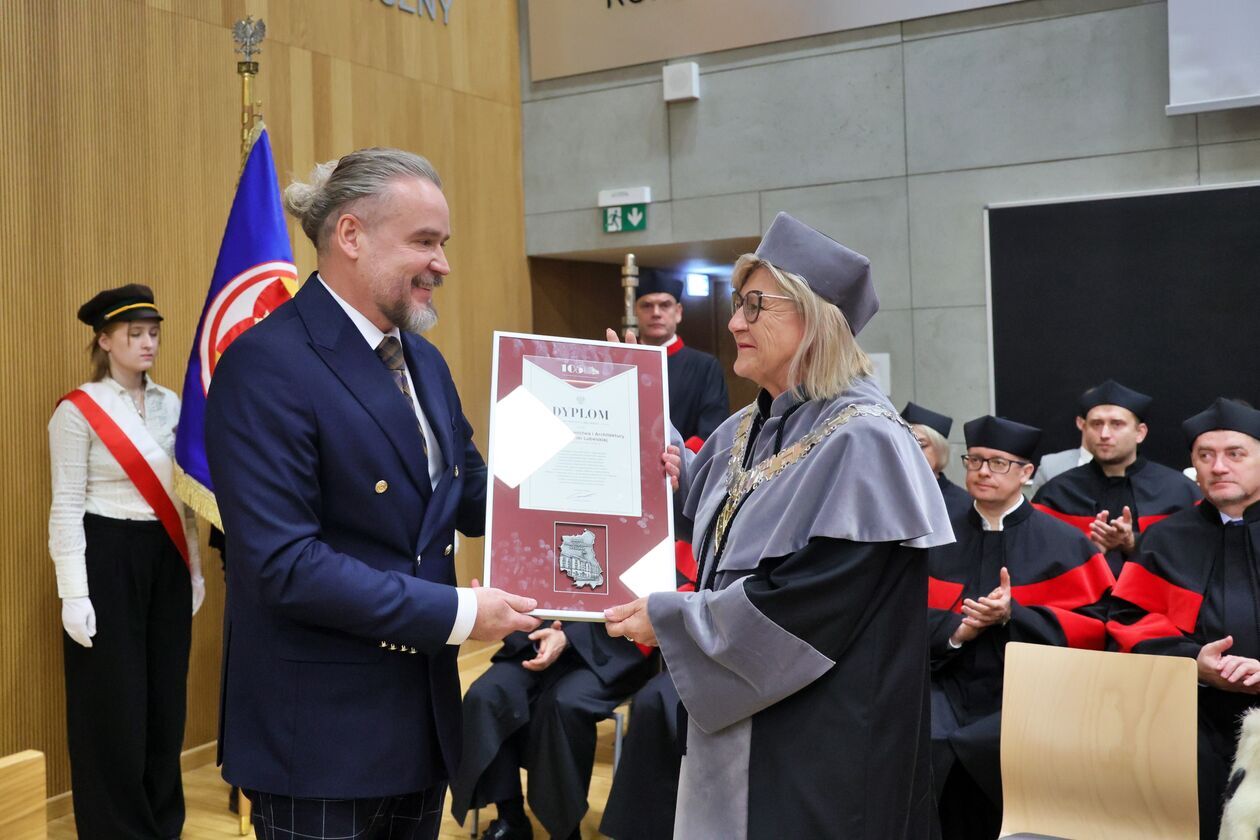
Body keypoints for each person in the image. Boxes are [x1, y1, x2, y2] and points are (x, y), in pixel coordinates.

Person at [205, 148, 539, 840]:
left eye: (443, 243)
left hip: (418, 727)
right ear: (351, 235)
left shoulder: (424, 360)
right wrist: (459, 612)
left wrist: (605, 448)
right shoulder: (265, 365)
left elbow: (473, 497)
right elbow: (284, 566)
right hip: (318, 741)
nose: (442, 264)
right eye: (424, 241)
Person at [602, 212, 955, 838]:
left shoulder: (866, 440)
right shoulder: (747, 427)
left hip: (817, 735)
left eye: (755, 305)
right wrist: (633, 410)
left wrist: (671, 619)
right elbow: (718, 523)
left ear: (815, 319)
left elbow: (808, 604)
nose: (734, 323)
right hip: (745, 711)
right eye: (738, 304)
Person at [48, 284, 204, 839]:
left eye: (153, 333)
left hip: (166, 555)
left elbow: (184, 496)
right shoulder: (78, 410)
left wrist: (194, 570)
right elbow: (65, 506)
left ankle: (162, 821)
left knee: (165, 697)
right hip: (107, 556)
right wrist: (74, 592)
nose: (147, 343)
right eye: (134, 333)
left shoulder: (172, 404)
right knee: (113, 701)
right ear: (105, 340)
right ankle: (116, 828)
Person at [927, 415, 1114, 839]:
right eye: (975, 460)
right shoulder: (934, 538)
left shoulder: (1065, 542)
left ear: (1027, 472)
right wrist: (957, 631)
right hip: (946, 688)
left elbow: (1096, 629)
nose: (983, 472)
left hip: (1032, 696)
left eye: (998, 463)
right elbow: (900, 620)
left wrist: (1015, 614)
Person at [1105, 398, 1260, 839]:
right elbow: (1129, 621)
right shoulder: (1166, 539)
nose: (1218, 467)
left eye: (1235, 454)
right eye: (1205, 455)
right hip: (1189, 720)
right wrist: (1194, 663)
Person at [1033, 379, 1201, 576]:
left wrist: (1133, 543)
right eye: (1096, 424)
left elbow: (1195, 555)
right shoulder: (1056, 493)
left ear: (1140, 433)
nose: (1104, 434)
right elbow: (1035, 558)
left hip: (1154, 595)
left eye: (1116, 424)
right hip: (1079, 595)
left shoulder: (1179, 491)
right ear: (1084, 428)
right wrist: (1086, 550)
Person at [633, 269, 729, 452]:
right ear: (635, 312)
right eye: (647, 306)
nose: (656, 313)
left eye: (665, 305)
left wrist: (678, 458)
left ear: (678, 312)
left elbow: (712, 430)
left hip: (686, 465)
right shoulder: (624, 363)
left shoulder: (705, 367)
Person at [903, 401, 972, 519]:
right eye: (905, 445)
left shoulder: (964, 504)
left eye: (921, 445)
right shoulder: (888, 496)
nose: (913, 452)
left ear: (939, 448)